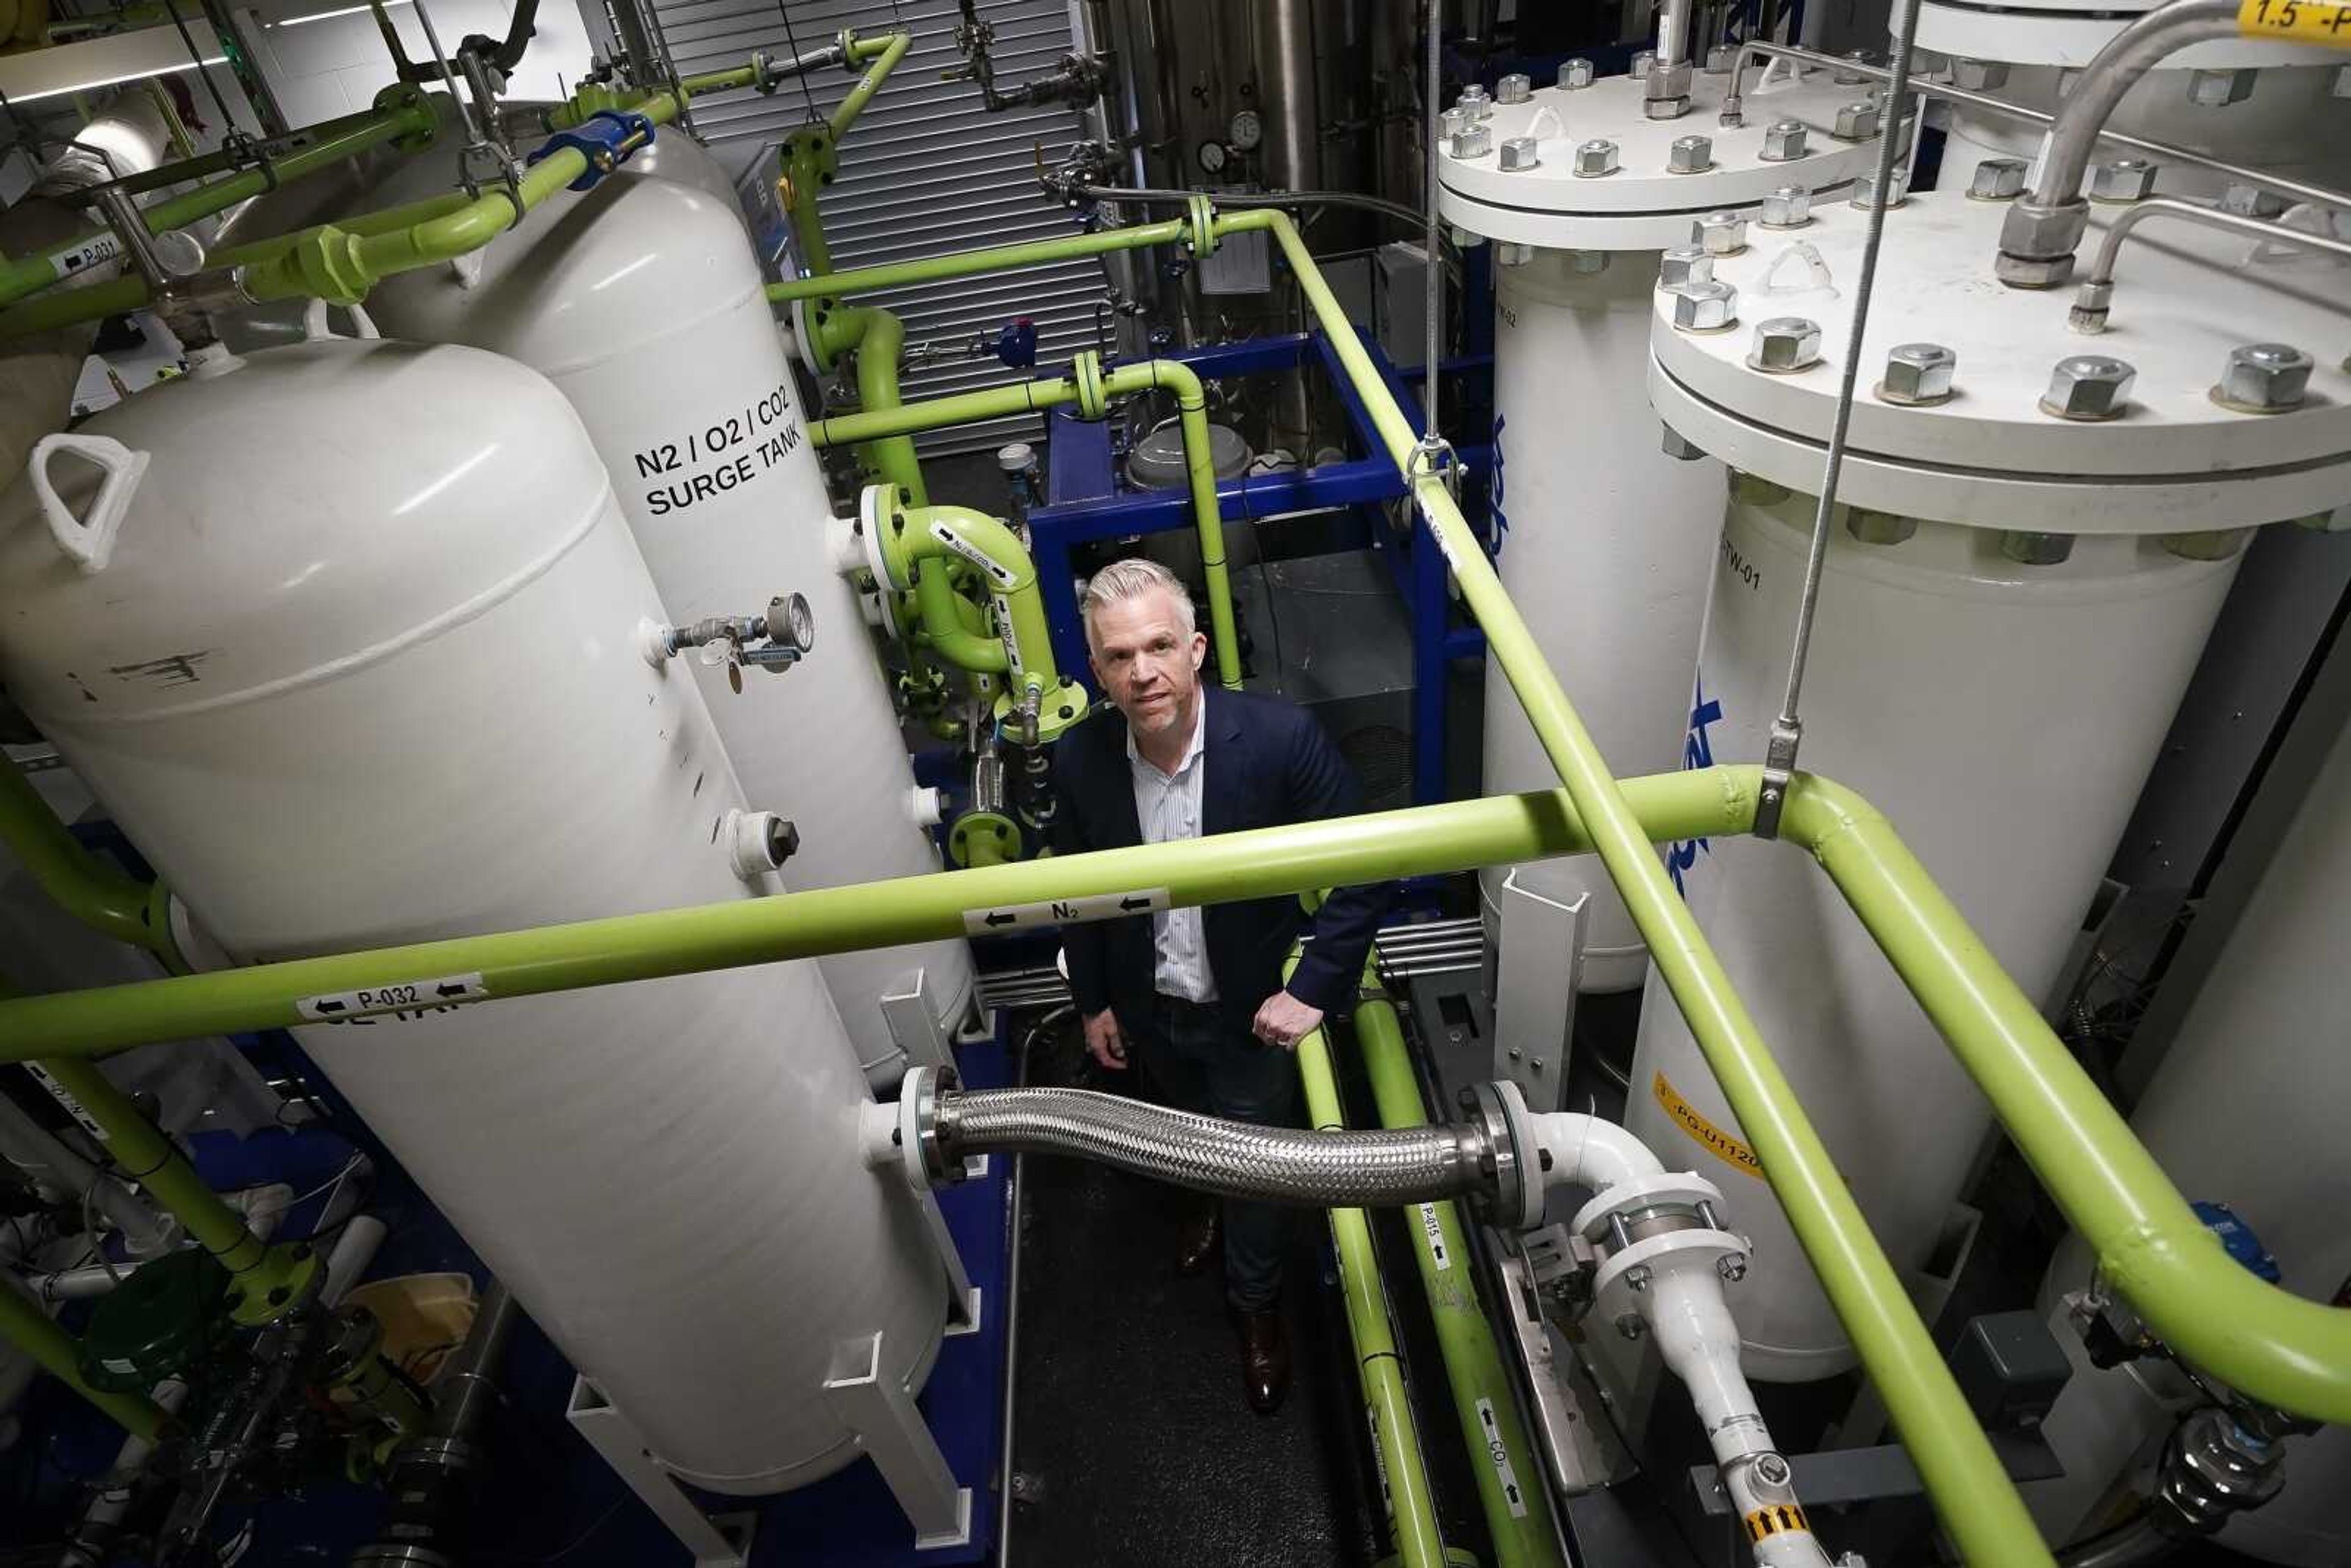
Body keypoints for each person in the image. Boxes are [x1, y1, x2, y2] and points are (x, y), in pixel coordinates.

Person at [1052, 557, 1392, 1415]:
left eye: (1160, 645)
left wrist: (1314, 985)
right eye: (1120, 655)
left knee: (1253, 1173)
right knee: (1183, 1127)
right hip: (1147, 1011)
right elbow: (1075, 891)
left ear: (1196, 649)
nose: (1143, 671)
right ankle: (1200, 1202)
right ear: (1097, 672)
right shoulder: (1082, 759)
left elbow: (1370, 859)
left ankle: (1255, 1303)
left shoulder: (1279, 740)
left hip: (1249, 1019)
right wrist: (1094, 998)